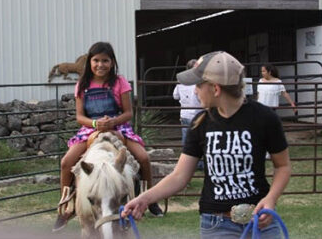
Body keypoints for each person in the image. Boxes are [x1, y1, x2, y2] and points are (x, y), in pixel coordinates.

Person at [122, 51, 292, 239]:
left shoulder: (265, 119)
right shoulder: (200, 124)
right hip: (217, 225)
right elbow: (179, 176)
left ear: (215, 89)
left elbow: (282, 166)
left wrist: (270, 199)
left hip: (260, 221)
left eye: (198, 85)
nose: (195, 91)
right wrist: (144, 199)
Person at [53, 42, 163, 232]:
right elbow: (80, 116)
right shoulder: (82, 84)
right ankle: (66, 204)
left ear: (112, 63)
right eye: (96, 60)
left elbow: (129, 112)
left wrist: (112, 123)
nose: (100, 65)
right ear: (90, 62)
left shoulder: (120, 82)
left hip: (117, 126)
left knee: (144, 158)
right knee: (66, 162)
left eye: (105, 60)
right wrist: (96, 124)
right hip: (91, 129)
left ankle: (149, 199)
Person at [174, 59, 205, 170]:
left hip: (184, 114)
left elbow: (175, 96)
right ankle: (200, 164)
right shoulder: (198, 84)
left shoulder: (181, 83)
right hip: (197, 114)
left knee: (186, 139)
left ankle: (186, 164)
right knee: (200, 139)